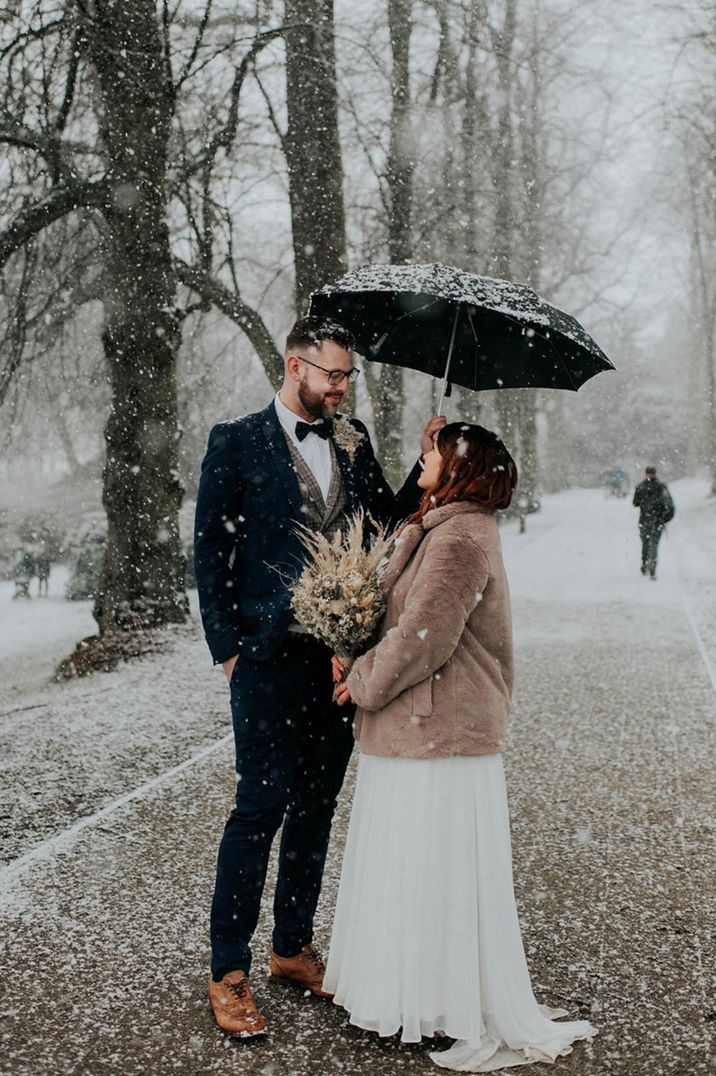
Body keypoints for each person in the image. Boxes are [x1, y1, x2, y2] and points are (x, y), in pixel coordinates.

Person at [194, 314, 444, 1038]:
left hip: (339, 662)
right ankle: (228, 970)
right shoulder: (236, 441)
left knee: (316, 807)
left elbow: (388, 521)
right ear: (295, 364)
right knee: (258, 808)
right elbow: (210, 551)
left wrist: (423, 467)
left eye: (348, 377)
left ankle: (291, 948)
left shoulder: (352, 437)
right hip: (267, 659)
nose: (342, 387)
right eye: (332, 374)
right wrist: (229, 648)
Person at [328, 423, 596, 1072]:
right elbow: (400, 607)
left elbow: (425, 635)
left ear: (457, 469)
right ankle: (408, 995)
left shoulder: (462, 536)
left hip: (438, 729)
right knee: (411, 863)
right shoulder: (440, 525)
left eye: (432, 453)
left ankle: (437, 1002)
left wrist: (360, 680)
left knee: (430, 867)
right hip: (419, 726)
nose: (420, 458)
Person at [632, 466, 674, 580]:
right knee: (653, 543)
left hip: (646, 520)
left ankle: (646, 564)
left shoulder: (641, 486)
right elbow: (670, 505)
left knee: (647, 543)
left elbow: (635, 503)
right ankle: (650, 566)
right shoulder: (661, 487)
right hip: (657, 520)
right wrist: (665, 518)